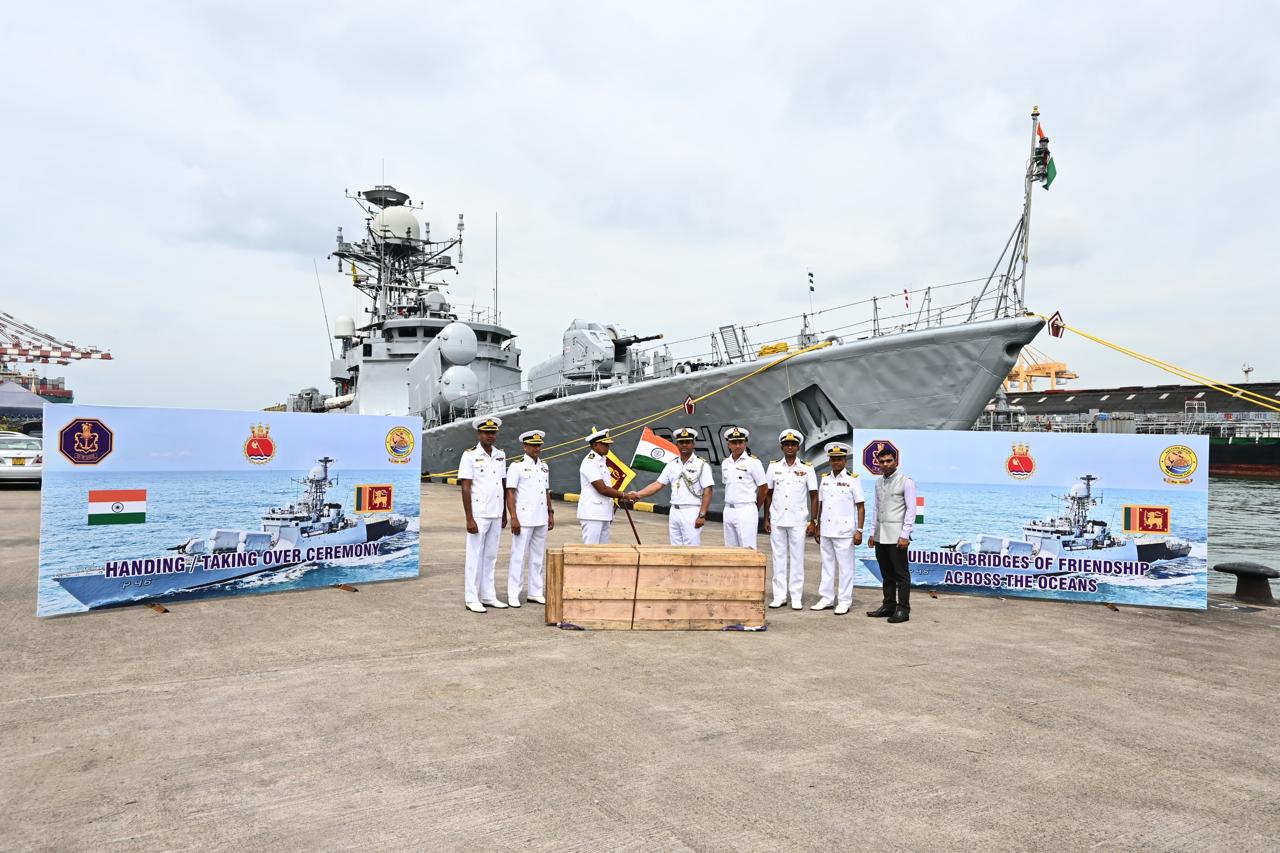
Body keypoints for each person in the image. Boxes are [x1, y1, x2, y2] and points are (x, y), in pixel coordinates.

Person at [628, 427, 715, 545]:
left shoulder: (701, 465)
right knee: (675, 547)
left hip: (691, 511)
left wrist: (702, 515)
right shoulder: (672, 464)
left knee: (692, 548)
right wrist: (638, 494)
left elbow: (708, 490)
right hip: (674, 511)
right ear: (677, 444)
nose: (684, 445)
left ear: (693, 444)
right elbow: (658, 484)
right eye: (681, 442)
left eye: (687, 442)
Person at [763, 429, 818, 609]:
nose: (789, 447)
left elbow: (814, 496)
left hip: (798, 520)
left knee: (797, 558)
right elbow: (768, 494)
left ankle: (796, 596)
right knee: (778, 558)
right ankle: (779, 596)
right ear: (781, 446)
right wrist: (766, 518)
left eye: (793, 444)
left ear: (798, 447)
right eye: (786, 444)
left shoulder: (806, 468)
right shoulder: (773, 467)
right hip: (778, 518)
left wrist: (813, 521)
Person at [458, 416, 508, 613]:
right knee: (474, 556)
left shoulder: (500, 455)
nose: (490, 436)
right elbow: (465, 488)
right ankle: (472, 597)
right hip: (478, 514)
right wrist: (469, 518)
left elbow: (502, 485)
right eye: (486, 432)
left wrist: (504, 512)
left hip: (495, 512)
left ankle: (488, 595)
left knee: (491, 556)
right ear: (479, 434)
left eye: (493, 432)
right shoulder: (469, 455)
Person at [812, 442, 866, 615]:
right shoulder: (825, 479)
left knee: (845, 567)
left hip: (844, 532)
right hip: (826, 530)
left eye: (840, 459)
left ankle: (844, 601)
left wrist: (860, 531)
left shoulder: (852, 479)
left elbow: (860, 506)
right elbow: (821, 504)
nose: (836, 462)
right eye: (833, 459)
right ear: (829, 460)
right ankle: (826, 598)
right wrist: (817, 525)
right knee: (827, 566)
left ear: (845, 460)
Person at [866, 445, 916, 623]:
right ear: (878, 463)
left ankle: (903, 609)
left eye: (889, 461)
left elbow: (911, 510)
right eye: (882, 461)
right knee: (886, 574)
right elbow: (876, 509)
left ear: (896, 461)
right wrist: (872, 533)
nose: (886, 464)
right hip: (881, 535)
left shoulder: (906, 481)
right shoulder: (878, 482)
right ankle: (888, 605)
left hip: (897, 536)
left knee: (901, 574)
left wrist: (905, 534)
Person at [505, 429, 553, 607]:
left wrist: (550, 512)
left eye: (539, 445)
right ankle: (513, 593)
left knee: (537, 557)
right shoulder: (516, 466)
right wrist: (513, 517)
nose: (537, 448)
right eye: (533, 445)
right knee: (518, 556)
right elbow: (510, 492)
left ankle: (535, 592)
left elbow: (546, 491)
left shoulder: (544, 467)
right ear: (525, 446)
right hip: (523, 518)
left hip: (540, 517)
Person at [577, 427, 632, 544]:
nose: (608, 447)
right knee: (591, 552)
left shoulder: (602, 461)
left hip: (604, 513)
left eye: (608, 444)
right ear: (596, 445)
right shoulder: (590, 462)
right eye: (605, 444)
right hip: (593, 515)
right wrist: (624, 495)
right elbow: (602, 489)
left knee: (602, 551)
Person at [719, 426, 767, 548]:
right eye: (734, 443)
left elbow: (763, 487)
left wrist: (755, 507)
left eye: (740, 442)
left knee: (748, 548)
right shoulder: (726, 463)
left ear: (745, 443)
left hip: (746, 509)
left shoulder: (754, 463)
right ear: (729, 444)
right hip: (728, 509)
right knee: (730, 549)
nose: (738, 446)